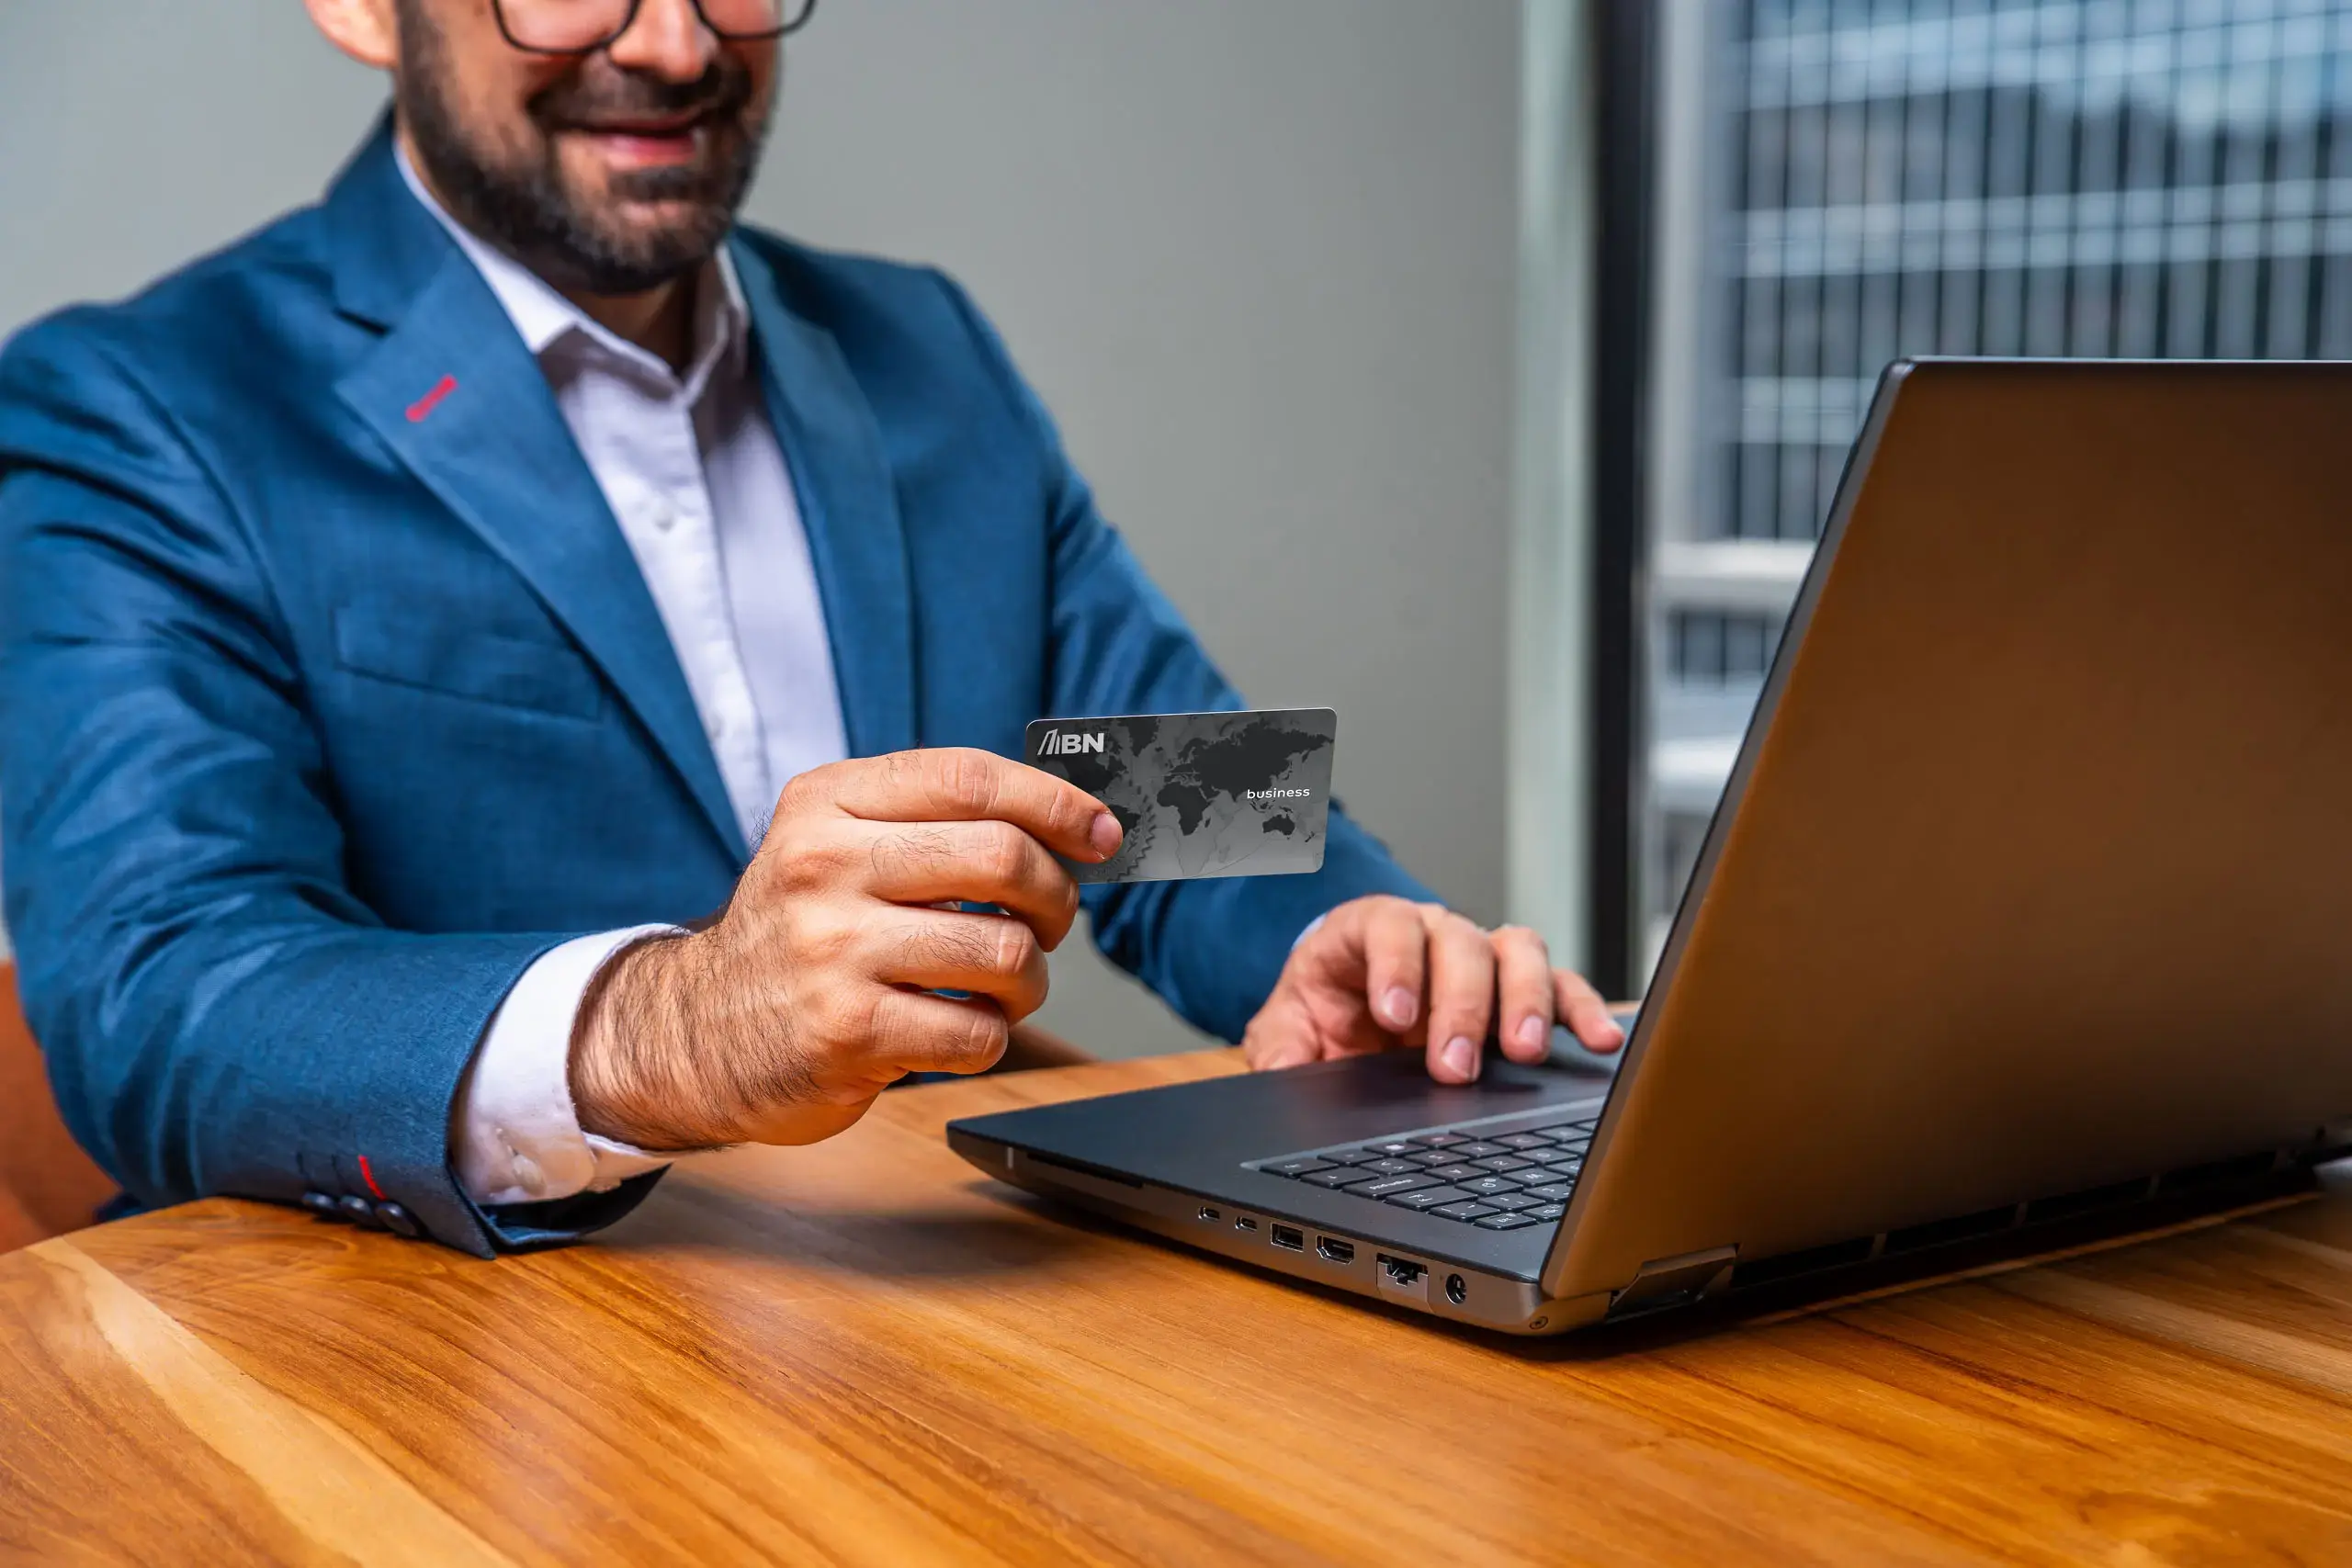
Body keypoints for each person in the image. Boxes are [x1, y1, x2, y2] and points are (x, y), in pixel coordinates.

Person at [0, 0, 1621, 1257]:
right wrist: (675, 1026)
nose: (677, 42)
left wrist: (1371, 952)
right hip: (444, 1395)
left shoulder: (925, 348)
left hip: (939, 1344)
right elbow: (165, 994)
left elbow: (1173, 783)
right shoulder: (133, 408)